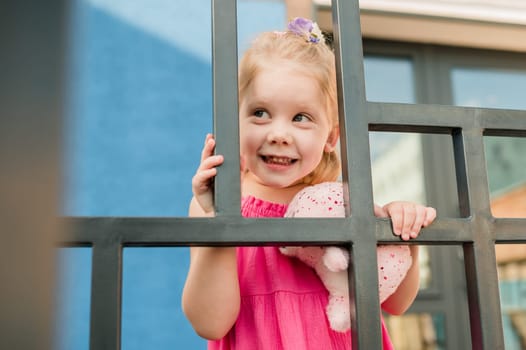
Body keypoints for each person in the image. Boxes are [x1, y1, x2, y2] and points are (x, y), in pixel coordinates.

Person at [182, 17, 437, 349]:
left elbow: (395, 302)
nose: (278, 135)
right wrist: (221, 221)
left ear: (330, 137)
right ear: (235, 121)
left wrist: (401, 233)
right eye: (260, 112)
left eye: (301, 118)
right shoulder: (213, 206)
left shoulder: (345, 204)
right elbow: (210, 323)